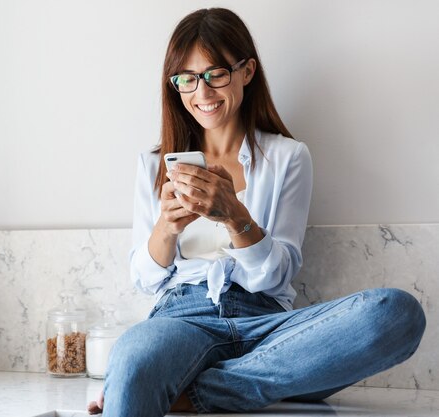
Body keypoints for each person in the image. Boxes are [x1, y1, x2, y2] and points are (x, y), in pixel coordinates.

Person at [88, 8, 425, 416]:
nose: (202, 92)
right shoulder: (154, 164)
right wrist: (166, 228)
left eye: (215, 74)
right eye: (187, 79)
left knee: (395, 314)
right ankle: (244, 383)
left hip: (269, 327)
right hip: (182, 318)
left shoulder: (288, 157)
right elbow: (143, 277)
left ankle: (194, 393)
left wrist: (234, 215)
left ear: (246, 72)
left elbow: (277, 274)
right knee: (134, 354)